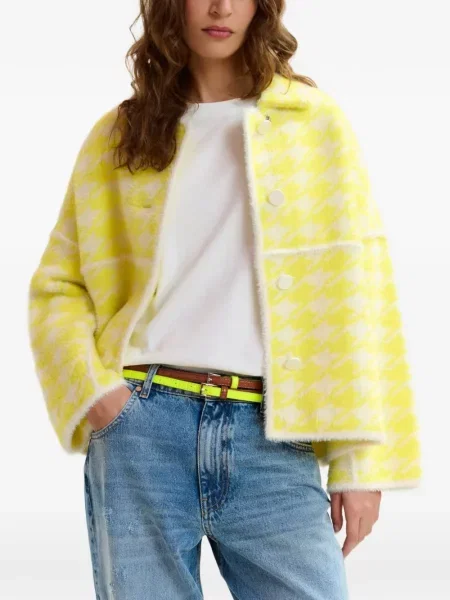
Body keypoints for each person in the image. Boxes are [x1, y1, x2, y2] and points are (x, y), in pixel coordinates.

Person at [27, 1, 422, 598]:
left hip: (273, 433)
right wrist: (98, 395)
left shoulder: (313, 123)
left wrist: (361, 461)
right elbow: (59, 286)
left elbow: (360, 294)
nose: (220, 7)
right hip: (142, 429)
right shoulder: (120, 135)